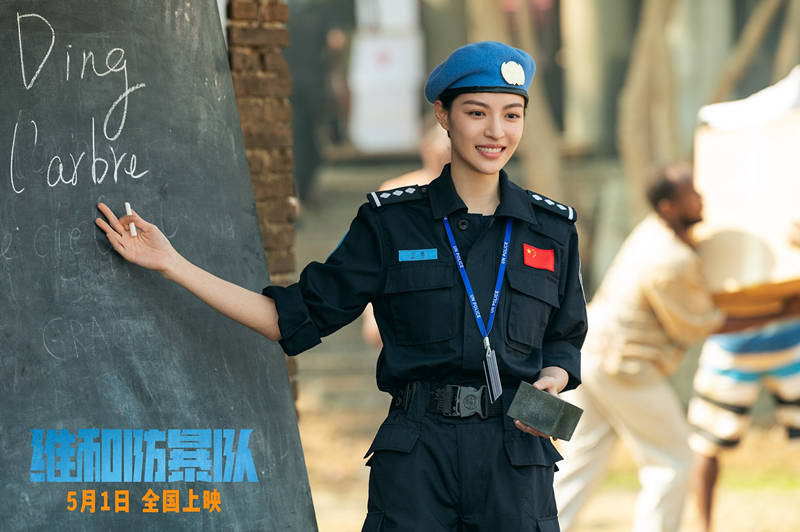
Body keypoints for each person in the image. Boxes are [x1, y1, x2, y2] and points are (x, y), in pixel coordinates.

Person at [95, 41, 588, 531]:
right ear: (443, 115)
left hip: (516, 457)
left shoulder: (552, 230)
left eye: (512, 115)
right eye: (477, 113)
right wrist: (173, 264)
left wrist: (555, 377)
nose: (496, 131)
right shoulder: (391, 224)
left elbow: (564, 338)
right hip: (418, 460)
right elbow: (288, 318)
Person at [552, 163, 800, 532]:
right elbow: (706, 325)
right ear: (669, 206)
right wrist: (783, 309)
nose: (701, 199)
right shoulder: (671, 261)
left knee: (580, 461)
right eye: (692, 195)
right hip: (625, 367)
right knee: (672, 462)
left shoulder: (654, 230)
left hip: (589, 357)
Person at [687, 221, 800, 532]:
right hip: (733, 344)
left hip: (789, 342)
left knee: (706, 445)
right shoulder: (720, 210)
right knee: (707, 442)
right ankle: (704, 526)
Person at [361, 125, 451, 349]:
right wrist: (372, 316)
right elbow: (374, 257)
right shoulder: (396, 190)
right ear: (427, 150)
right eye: (443, 147)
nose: (446, 154)